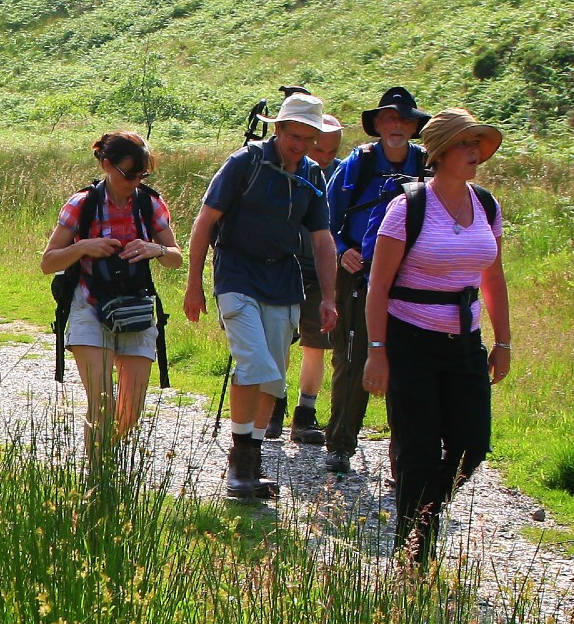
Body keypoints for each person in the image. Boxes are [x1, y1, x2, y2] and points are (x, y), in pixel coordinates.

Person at [361, 107, 513, 565]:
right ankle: (414, 557)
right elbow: (378, 286)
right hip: (410, 341)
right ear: (443, 152)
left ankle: (421, 521)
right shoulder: (408, 207)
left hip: (465, 344)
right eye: (466, 145)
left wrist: (503, 342)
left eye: (478, 145)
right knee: (419, 451)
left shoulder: (487, 205)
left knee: (472, 445)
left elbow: (494, 278)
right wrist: (377, 352)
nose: (475, 153)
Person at [181, 92, 340, 500]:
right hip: (236, 274)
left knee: (273, 381)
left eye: (308, 138)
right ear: (279, 129)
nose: (299, 145)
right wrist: (194, 283)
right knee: (254, 363)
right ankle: (240, 467)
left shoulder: (312, 176)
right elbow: (205, 222)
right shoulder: (245, 162)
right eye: (294, 135)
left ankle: (250, 467)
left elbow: (323, 242)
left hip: (284, 281)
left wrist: (329, 298)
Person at [42, 132, 181, 444]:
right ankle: (97, 481)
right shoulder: (82, 205)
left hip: (135, 309)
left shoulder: (150, 203)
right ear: (106, 164)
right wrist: (84, 247)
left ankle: (109, 468)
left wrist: (154, 250)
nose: (135, 181)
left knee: (130, 412)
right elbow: (48, 262)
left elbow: (176, 258)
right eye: (129, 174)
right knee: (102, 405)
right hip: (90, 306)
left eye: (142, 174)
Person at [321, 86, 430, 474]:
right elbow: (326, 216)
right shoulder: (357, 164)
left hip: (409, 278)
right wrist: (341, 249)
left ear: (415, 126)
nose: (396, 126)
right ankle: (340, 444)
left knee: (408, 362)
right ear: (378, 125)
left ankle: (404, 454)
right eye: (388, 118)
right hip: (357, 272)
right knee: (352, 357)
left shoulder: (427, 165)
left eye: (403, 119)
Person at [271, 115, 348, 444]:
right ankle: (275, 404)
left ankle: (305, 413)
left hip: (322, 269)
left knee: (317, 344)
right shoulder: (284, 168)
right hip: (288, 265)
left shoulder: (344, 173)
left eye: (332, 151)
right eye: (320, 149)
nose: (325, 157)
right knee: (280, 340)